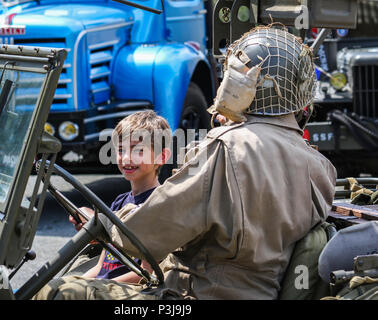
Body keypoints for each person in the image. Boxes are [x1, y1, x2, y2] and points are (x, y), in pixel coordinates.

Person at [34, 26, 337, 300]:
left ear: (247, 82)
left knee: (57, 291)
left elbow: (152, 226)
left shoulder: (226, 146)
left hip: (193, 295)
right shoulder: (320, 167)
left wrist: (102, 223)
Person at [33, 110, 172, 299]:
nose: (126, 158)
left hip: (133, 290)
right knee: (46, 287)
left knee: (61, 292)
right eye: (121, 150)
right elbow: (101, 266)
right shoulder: (120, 202)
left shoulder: (159, 205)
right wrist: (77, 280)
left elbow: (145, 275)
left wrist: (89, 285)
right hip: (105, 284)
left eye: (138, 150)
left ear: (161, 157)